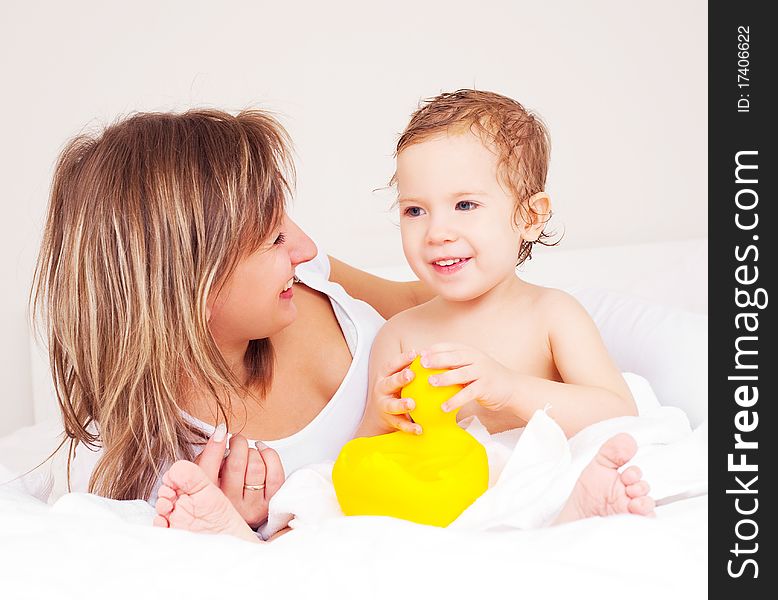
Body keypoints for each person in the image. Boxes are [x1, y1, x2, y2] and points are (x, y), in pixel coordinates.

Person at [152, 91, 655, 542]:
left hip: (519, 479)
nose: (437, 231)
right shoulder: (400, 334)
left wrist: (510, 389)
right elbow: (365, 449)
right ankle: (243, 544)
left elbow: (616, 411)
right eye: (415, 210)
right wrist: (381, 414)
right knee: (329, 497)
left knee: (548, 483)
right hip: (434, 495)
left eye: (464, 205)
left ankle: (576, 517)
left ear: (530, 215)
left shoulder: (551, 314)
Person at [32, 109, 430, 530]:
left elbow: (411, 299)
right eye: (274, 238)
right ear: (193, 291)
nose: (307, 247)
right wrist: (237, 528)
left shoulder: (304, 277)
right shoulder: (172, 466)